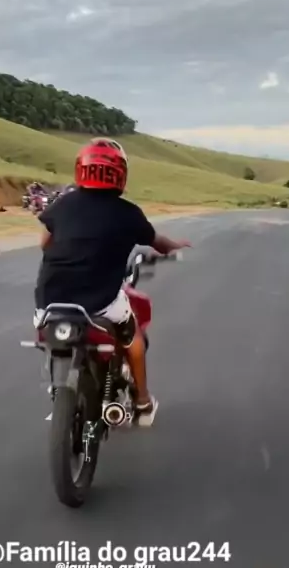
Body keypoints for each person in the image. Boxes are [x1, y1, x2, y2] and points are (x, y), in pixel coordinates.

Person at [33, 137, 190, 426]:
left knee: (49, 337)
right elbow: (159, 243)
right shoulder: (129, 214)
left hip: (49, 299)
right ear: (120, 174)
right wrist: (174, 246)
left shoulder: (63, 204)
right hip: (100, 302)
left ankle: (58, 391)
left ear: (82, 169)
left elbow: (44, 243)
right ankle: (142, 402)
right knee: (133, 336)